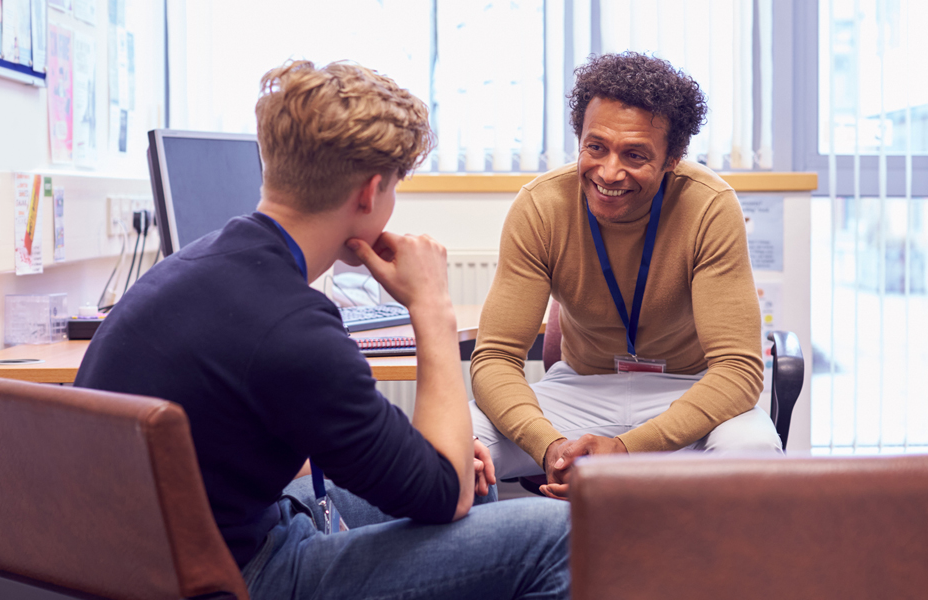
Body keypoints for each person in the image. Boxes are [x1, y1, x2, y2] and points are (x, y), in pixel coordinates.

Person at [75, 60, 569, 600]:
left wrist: (441, 463)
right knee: (560, 535)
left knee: (478, 485)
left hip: (158, 557)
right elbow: (443, 494)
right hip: (240, 576)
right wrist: (431, 305)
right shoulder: (293, 329)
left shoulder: (194, 266)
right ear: (370, 192)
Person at [470, 51, 782, 499]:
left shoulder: (710, 206)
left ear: (672, 158)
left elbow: (738, 371)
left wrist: (628, 449)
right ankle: (505, 563)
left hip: (686, 391)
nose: (609, 172)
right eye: (595, 147)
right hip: (580, 391)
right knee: (453, 443)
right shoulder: (541, 206)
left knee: (754, 454)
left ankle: (707, 571)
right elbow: (495, 359)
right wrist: (551, 448)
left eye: (635, 154)